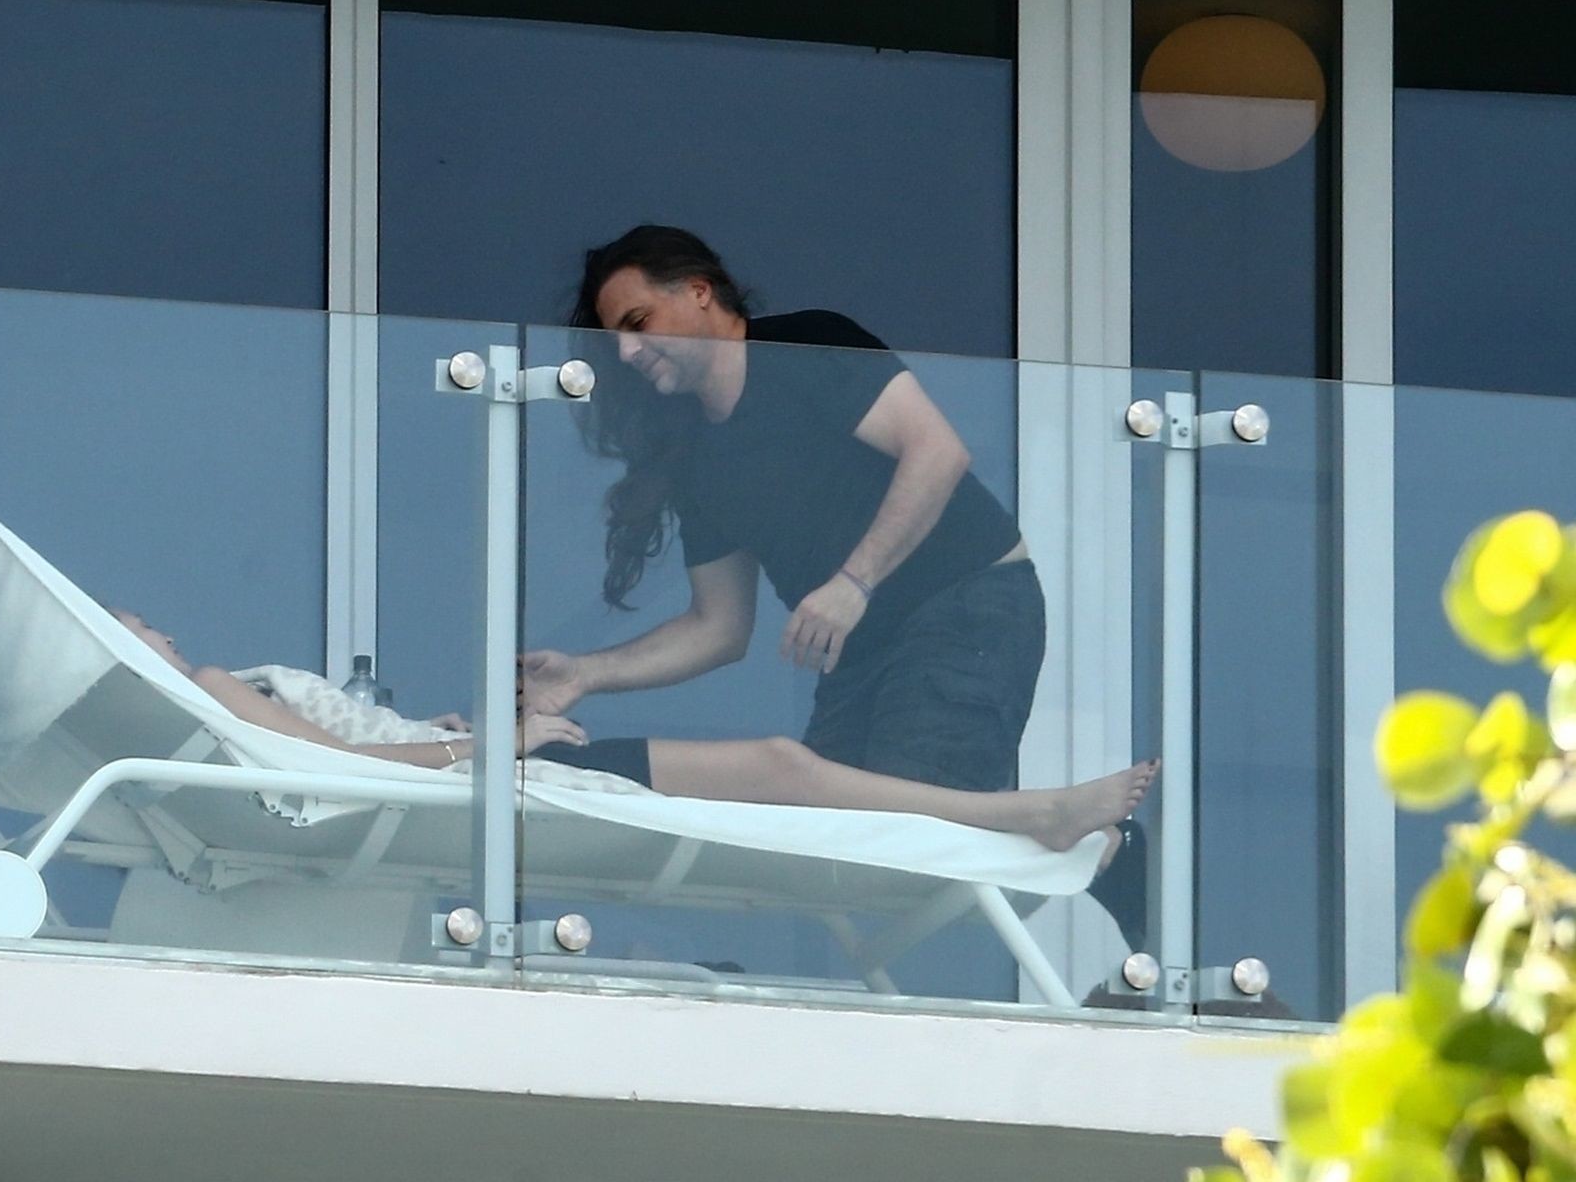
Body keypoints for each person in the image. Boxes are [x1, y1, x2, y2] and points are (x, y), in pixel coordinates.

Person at [517, 225, 1151, 943]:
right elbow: (717, 628)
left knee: (903, 836)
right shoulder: (698, 454)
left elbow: (937, 451)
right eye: (617, 342)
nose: (629, 353)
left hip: (966, 604)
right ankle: (1079, 839)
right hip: (860, 653)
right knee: (830, 843)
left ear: (698, 292)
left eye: (638, 323)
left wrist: (854, 581)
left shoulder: (806, 347)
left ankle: (1100, 846)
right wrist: (586, 675)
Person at [110, 610, 1158, 863]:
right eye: (134, 626)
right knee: (779, 766)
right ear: (132, 655)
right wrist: (496, 745)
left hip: (485, 772)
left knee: (783, 769)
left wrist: (445, 736)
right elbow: (331, 767)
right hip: (500, 779)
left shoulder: (201, 705)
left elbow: (335, 754)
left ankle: (1020, 816)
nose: (157, 624)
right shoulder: (206, 686)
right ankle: (1025, 814)